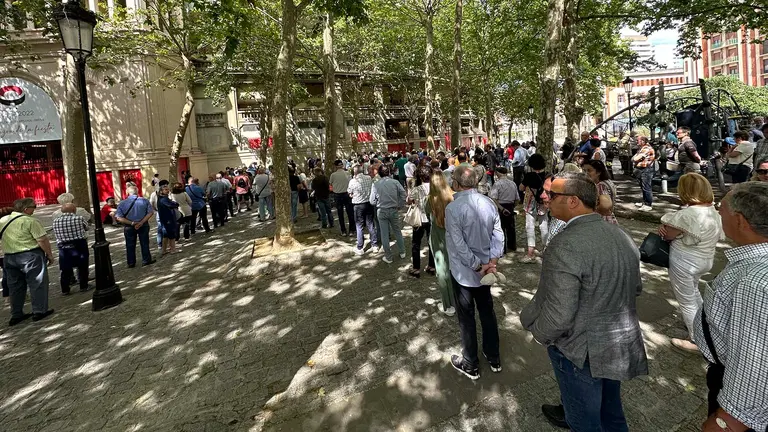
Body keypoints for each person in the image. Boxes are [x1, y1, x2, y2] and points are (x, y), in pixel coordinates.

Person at [521, 172, 647, 431]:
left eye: (552, 194)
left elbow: (559, 315)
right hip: (617, 342)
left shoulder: (564, 245)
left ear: (573, 201)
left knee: (584, 422)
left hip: (580, 351)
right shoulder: (620, 235)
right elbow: (635, 288)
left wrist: (539, 333)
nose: (544, 197)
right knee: (611, 412)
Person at [693, 181, 768, 432]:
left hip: (737, 399)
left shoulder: (754, 282)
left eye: (720, 208)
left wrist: (727, 421)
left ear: (740, 221)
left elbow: (754, 359)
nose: (717, 212)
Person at [654, 173, 723, 352]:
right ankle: (703, 325)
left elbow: (668, 234)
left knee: (686, 300)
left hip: (685, 261)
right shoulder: (713, 211)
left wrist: (664, 230)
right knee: (693, 293)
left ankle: (696, 340)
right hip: (705, 259)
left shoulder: (686, 214)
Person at [445, 165, 504, 379]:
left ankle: (470, 362)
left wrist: (480, 265)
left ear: (458, 183)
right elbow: (498, 234)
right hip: (484, 269)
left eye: (453, 178)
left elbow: (458, 244)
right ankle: (493, 354)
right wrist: (492, 262)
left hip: (466, 272)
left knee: (467, 317)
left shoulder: (453, 208)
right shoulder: (488, 202)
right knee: (487, 312)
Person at [1, 198, 55, 325]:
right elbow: (42, 240)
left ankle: (16, 314)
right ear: (26, 209)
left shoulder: (3, 220)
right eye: (34, 206)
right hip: (30, 255)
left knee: (14, 287)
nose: (35, 208)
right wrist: (49, 255)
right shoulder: (30, 221)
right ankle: (39, 311)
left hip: (9, 257)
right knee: (37, 282)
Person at [426, 170, 455, 316]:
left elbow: (427, 216)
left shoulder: (429, 200)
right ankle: (457, 300)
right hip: (452, 237)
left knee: (442, 271)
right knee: (454, 269)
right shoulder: (453, 197)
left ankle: (448, 304)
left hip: (437, 237)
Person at [52, 203, 92, 295]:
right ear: (74, 210)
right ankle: (83, 285)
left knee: (65, 268)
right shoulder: (79, 218)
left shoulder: (56, 221)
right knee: (82, 266)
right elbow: (86, 227)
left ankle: (65, 289)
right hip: (79, 244)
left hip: (63, 246)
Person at [369, 165, 406, 264]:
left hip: (381, 210)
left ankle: (388, 257)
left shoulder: (375, 184)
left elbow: (372, 201)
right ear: (389, 172)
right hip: (393, 209)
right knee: (397, 231)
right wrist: (400, 204)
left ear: (379, 173)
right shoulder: (395, 182)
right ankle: (402, 252)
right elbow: (403, 194)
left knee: (384, 234)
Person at [115, 185, 156, 268]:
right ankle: (146, 260)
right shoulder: (144, 201)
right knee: (144, 243)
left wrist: (132, 223)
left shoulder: (122, 203)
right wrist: (141, 222)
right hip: (143, 225)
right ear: (137, 191)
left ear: (127, 193)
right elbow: (150, 212)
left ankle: (131, 262)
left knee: (130, 244)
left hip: (129, 226)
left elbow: (119, 217)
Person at [519, 154, 549, 263]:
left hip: (530, 204)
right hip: (543, 203)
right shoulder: (547, 175)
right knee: (544, 226)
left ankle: (530, 253)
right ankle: (545, 250)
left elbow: (521, 187)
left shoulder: (529, 175)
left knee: (530, 227)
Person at [406, 166, 435, 277]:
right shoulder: (435, 187)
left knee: (416, 243)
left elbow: (409, 201)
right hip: (432, 218)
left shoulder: (417, 189)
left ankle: (416, 268)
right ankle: (432, 266)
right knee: (431, 242)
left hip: (419, 218)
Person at [347, 165, 378, 255]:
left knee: (359, 226)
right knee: (370, 224)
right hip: (368, 204)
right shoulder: (369, 178)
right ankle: (374, 245)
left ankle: (360, 247)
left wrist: (353, 195)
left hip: (358, 205)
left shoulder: (352, 181)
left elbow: (350, 193)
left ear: (354, 172)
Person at [488, 166, 519, 254]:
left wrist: (501, 208)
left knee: (500, 228)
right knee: (511, 227)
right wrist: (513, 206)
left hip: (501, 207)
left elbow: (493, 198)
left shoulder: (497, 184)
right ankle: (512, 245)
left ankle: (503, 248)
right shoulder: (512, 183)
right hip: (510, 206)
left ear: (498, 173)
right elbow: (517, 199)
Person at [583, 160, 618, 224]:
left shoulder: (601, 186)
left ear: (598, 172)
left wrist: (588, 210)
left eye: (589, 170)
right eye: (584, 171)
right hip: (610, 218)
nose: (586, 173)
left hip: (603, 220)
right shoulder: (608, 182)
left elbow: (605, 206)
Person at [330, 160, 355, 237]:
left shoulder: (333, 175)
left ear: (335, 166)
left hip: (337, 195)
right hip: (347, 194)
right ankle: (351, 230)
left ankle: (343, 230)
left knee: (340, 214)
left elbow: (330, 184)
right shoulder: (347, 173)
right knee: (350, 212)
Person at [632, 135, 655, 211]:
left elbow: (635, 158)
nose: (636, 141)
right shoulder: (641, 148)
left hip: (646, 169)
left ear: (643, 141)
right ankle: (644, 202)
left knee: (646, 187)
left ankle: (648, 204)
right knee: (643, 186)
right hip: (641, 169)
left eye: (638, 140)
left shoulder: (646, 148)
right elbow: (634, 158)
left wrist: (635, 158)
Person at [156, 184, 180, 255]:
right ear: (161, 191)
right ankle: (173, 249)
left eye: (168, 189)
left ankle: (164, 250)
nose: (167, 191)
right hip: (167, 219)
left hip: (165, 218)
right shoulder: (163, 199)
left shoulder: (162, 198)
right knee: (171, 234)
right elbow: (172, 204)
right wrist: (175, 204)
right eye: (165, 189)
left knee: (166, 235)